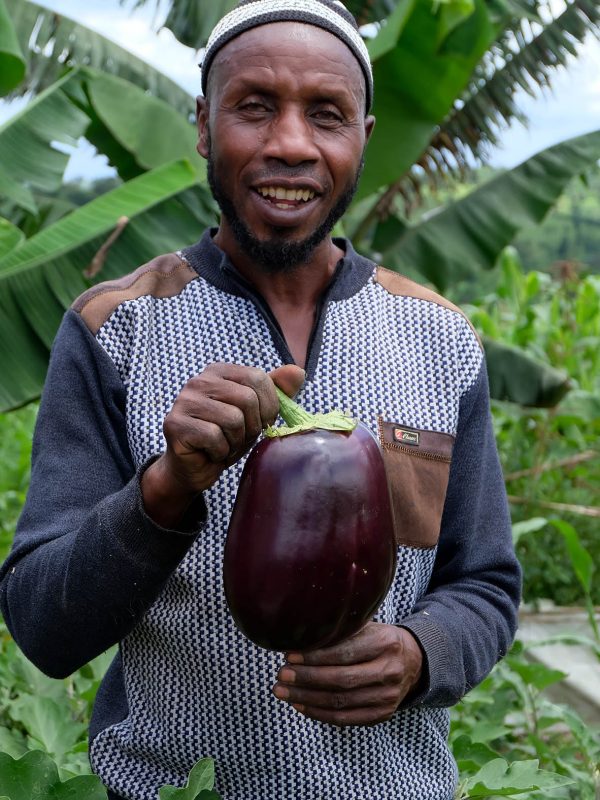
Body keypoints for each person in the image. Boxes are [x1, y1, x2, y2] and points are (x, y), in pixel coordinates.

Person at [0, 1, 522, 798]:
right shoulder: (119, 330)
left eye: (327, 115)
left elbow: (484, 584)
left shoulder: (439, 339)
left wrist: (422, 654)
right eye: (253, 107)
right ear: (204, 129)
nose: (290, 143)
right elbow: (43, 626)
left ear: (363, 140)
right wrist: (168, 485)